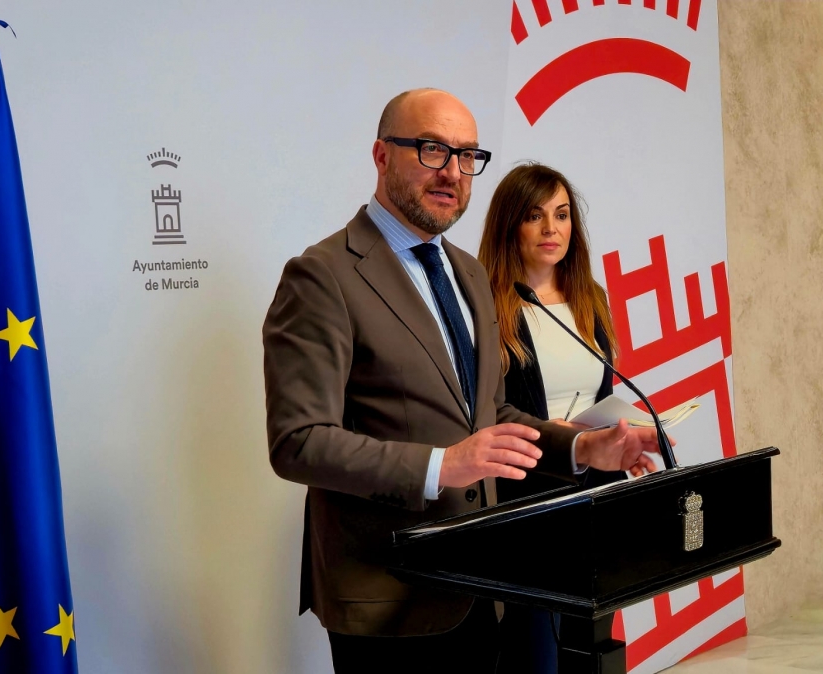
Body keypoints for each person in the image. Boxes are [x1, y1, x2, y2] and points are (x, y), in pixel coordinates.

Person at [262, 89, 663, 674]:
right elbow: (298, 442)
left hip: (483, 583)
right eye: (431, 150)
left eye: (467, 155)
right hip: (388, 594)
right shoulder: (323, 276)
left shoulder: (469, 274)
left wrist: (581, 446)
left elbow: (490, 414)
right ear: (380, 155)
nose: (452, 171)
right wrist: (440, 466)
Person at [479, 162, 633, 673]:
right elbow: (491, 411)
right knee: (536, 654)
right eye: (535, 216)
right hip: (533, 498)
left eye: (563, 215)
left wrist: (620, 439)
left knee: (590, 649)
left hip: (595, 495)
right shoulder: (488, 308)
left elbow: (602, 392)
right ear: (509, 226)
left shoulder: (591, 298)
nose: (552, 230)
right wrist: (566, 440)